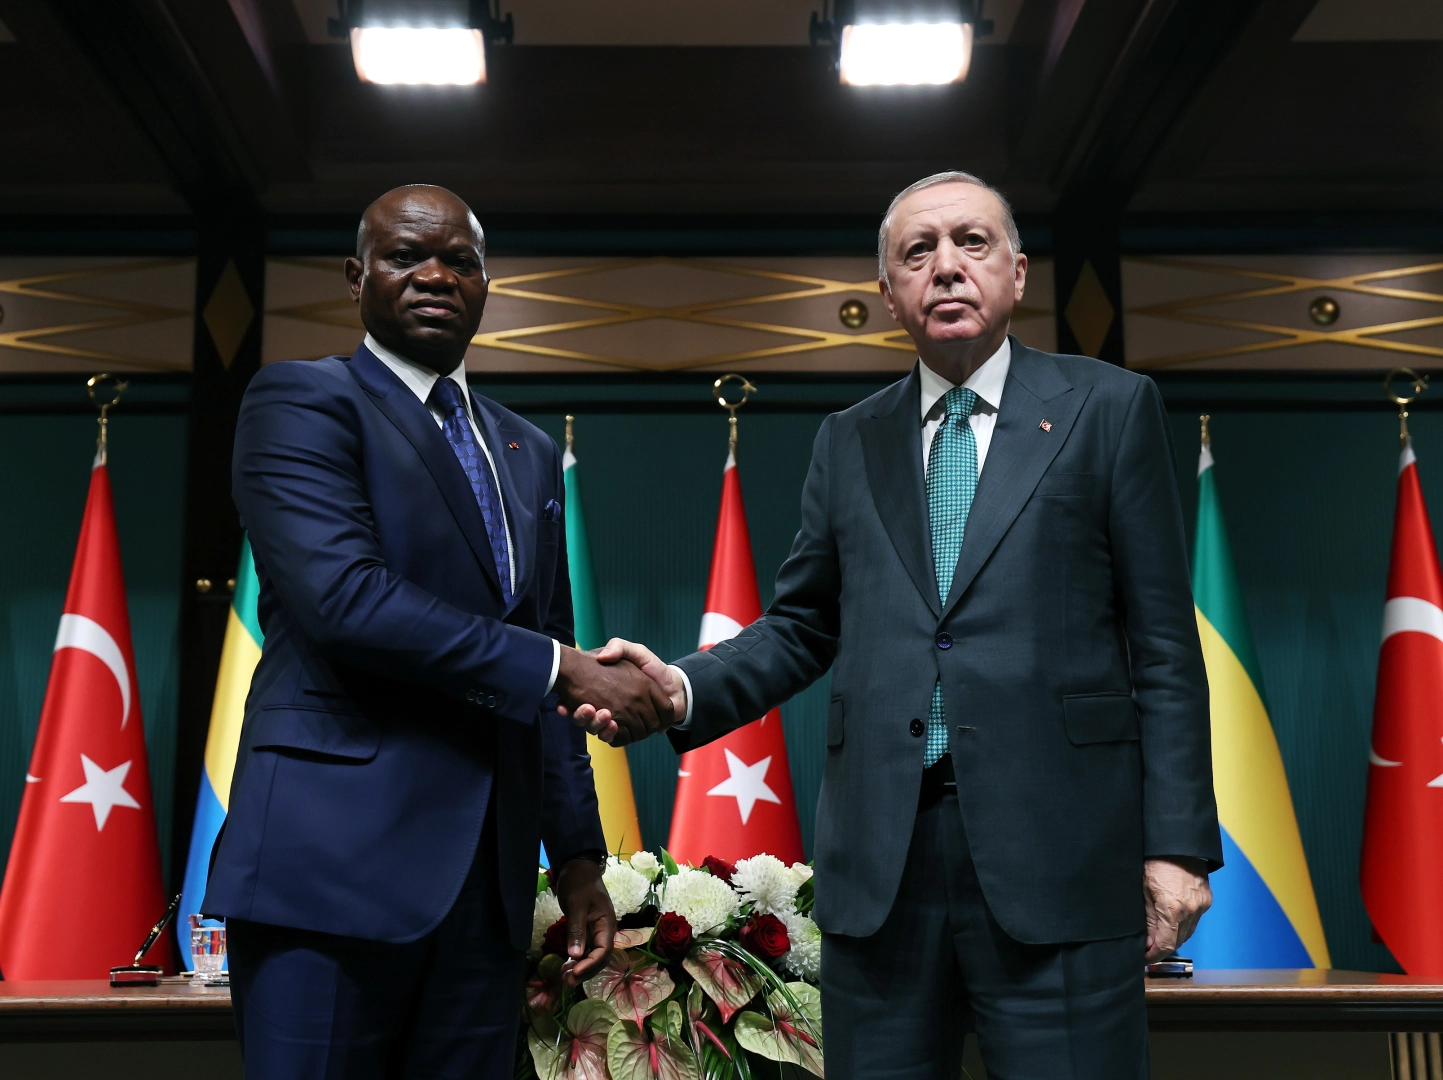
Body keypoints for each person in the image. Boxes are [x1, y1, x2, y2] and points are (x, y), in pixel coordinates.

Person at [583, 172, 1221, 1079]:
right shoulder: (848, 438)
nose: (946, 267)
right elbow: (802, 624)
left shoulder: (1108, 408)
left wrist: (1177, 846)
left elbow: (1163, 646)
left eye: (971, 242)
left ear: (1017, 272)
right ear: (888, 293)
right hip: (882, 870)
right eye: (918, 252)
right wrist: (679, 687)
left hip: (1062, 859)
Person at [203, 184, 673, 1080]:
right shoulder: (300, 402)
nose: (434, 275)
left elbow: (546, 650)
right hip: (329, 874)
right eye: (404, 256)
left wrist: (577, 856)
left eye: (460, 261)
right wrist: (560, 667)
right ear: (356, 277)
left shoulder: (527, 449)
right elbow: (346, 600)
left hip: (483, 891)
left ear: (486, 285)